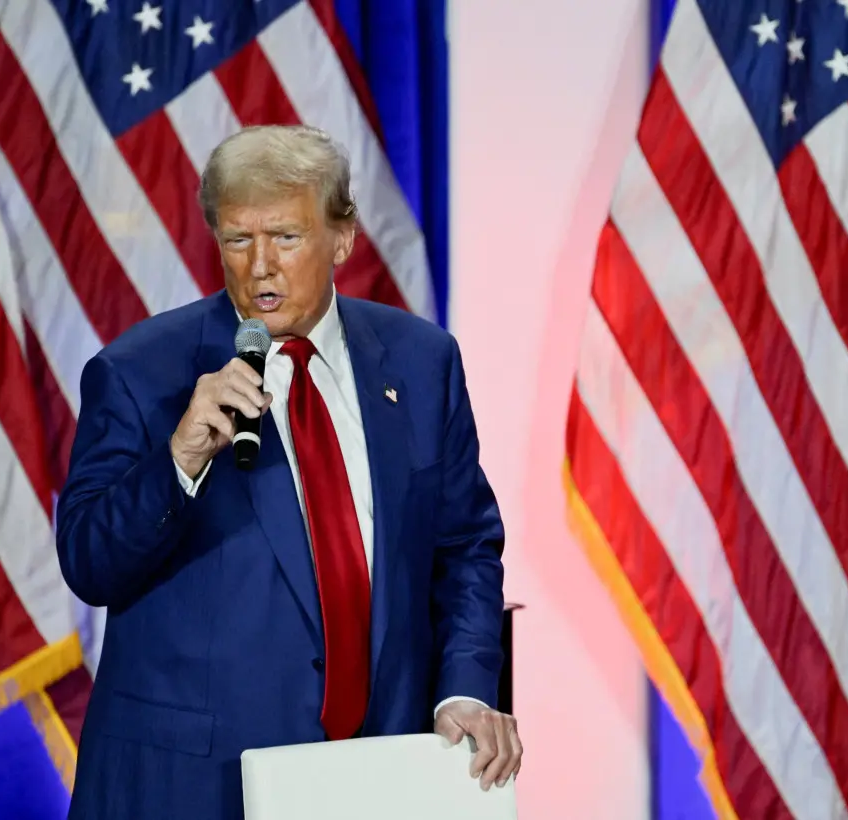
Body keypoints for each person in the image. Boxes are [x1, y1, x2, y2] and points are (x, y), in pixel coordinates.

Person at [56, 124, 521, 820]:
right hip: (194, 789)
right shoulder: (140, 373)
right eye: (238, 240)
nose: (260, 267)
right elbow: (89, 564)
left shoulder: (423, 364)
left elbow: (464, 550)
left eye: (285, 237)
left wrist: (463, 690)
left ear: (342, 238)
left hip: (379, 778)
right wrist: (179, 458)